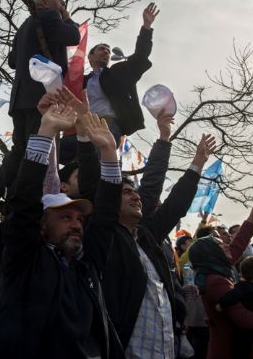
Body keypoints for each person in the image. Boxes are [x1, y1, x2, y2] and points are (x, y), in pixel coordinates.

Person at [0, 103, 124, 359]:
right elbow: (24, 202)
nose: (76, 223)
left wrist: (109, 152)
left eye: (79, 218)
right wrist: (45, 132)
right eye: (65, 217)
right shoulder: (26, 259)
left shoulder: (87, 265)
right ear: (41, 224)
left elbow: (107, 215)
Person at [83, 111, 216, 358]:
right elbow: (143, 186)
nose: (136, 196)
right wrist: (104, 150)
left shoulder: (147, 237)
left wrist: (195, 162)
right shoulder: (105, 238)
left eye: (135, 192)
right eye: (126, 192)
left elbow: (174, 202)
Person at [0, 0, 80, 204]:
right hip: (42, 96)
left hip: (20, 97)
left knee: (19, 148)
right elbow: (73, 36)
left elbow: (12, 61)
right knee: (40, 146)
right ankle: (33, 196)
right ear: (45, 4)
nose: (62, 3)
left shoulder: (24, 27)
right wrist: (67, 17)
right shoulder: (49, 16)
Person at [189, 204, 253, 359]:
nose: (227, 246)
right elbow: (244, 319)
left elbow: (237, 247)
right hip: (232, 348)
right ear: (211, 253)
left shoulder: (216, 268)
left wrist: (252, 218)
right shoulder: (216, 281)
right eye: (220, 245)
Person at [83, 3, 159, 144]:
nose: (106, 51)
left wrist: (146, 28)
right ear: (90, 57)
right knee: (60, 151)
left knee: (99, 156)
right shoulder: (81, 81)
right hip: (84, 125)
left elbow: (140, 56)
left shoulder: (117, 73)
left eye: (108, 50)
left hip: (108, 124)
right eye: (101, 49)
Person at [216, 256, 253, 359]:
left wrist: (221, 304)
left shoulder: (242, 287)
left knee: (242, 343)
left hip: (246, 329)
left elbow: (232, 296)